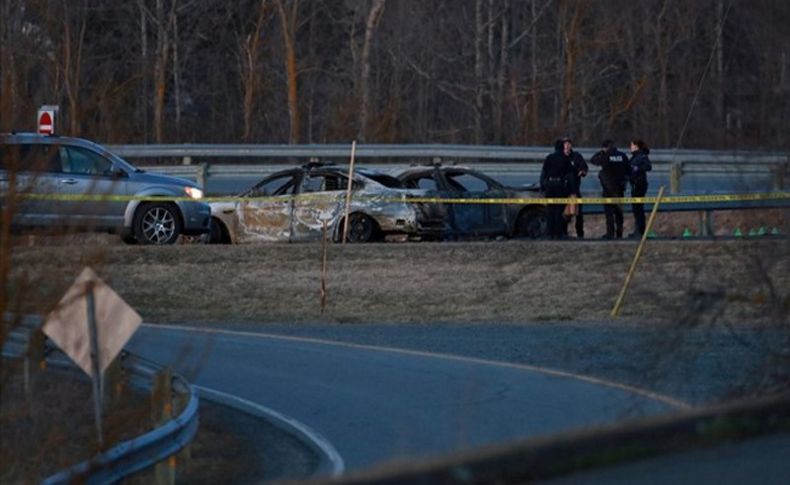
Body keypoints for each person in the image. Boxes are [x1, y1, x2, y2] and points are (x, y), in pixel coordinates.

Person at [590, 139, 630, 239]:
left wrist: (601, 152)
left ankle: (610, 233)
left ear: (605, 147)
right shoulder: (622, 155)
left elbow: (593, 160)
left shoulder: (605, 156)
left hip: (608, 189)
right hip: (620, 188)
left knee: (609, 213)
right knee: (618, 212)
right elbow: (628, 170)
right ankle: (619, 233)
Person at [541, 139, 577, 239]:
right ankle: (558, 233)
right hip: (560, 187)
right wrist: (573, 190)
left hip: (549, 186)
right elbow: (570, 176)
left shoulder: (549, 158)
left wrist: (542, 187)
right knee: (558, 211)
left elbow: (543, 173)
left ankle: (549, 233)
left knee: (550, 211)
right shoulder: (566, 159)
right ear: (562, 148)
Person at [562, 138, 587, 238]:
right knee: (564, 214)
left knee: (578, 214)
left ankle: (580, 234)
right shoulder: (559, 157)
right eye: (565, 144)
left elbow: (584, 167)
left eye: (569, 144)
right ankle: (563, 233)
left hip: (575, 189)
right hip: (563, 190)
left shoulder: (576, 156)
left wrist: (582, 171)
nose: (567, 146)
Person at [628, 139, 652, 237]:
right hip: (635, 184)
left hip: (639, 185)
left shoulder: (641, 156)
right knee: (636, 209)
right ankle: (638, 230)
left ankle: (640, 231)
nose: (630, 147)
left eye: (631, 145)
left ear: (636, 146)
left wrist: (637, 169)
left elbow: (648, 167)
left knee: (638, 209)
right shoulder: (634, 157)